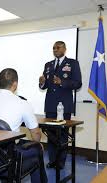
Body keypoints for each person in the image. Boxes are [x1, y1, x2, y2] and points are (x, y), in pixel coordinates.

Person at [0, 68, 47, 183]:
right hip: (8, 157)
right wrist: (37, 144)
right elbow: (36, 133)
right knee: (37, 149)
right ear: (15, 84)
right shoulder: (22, 103)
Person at [39, 41, 82, 169]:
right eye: (53, 48)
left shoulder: (73, 63)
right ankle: (52, 160)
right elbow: (45, 85)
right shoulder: (48, 65)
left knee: (62, 135)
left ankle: (61, 162)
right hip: (51, 105)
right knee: (51, 135)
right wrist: (42, 83)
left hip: (64, 105)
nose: (55, 49)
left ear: (64, 49)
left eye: (58, 47)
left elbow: (78, 83)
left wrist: (61, 81)